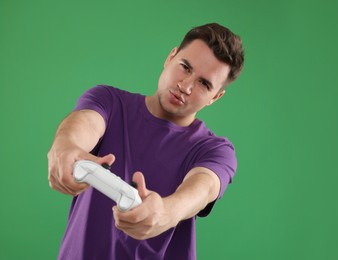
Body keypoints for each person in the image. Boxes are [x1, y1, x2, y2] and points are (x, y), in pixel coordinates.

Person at [47, 22, 244, 260]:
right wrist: (66, 146)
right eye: (184, 67)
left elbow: (203, 188)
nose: (186, 86)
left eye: (204, 83)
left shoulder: (215, 151)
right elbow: (84, 124)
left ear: (216, 96)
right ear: (170, 57)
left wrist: (167, 212)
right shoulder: (109, 102)